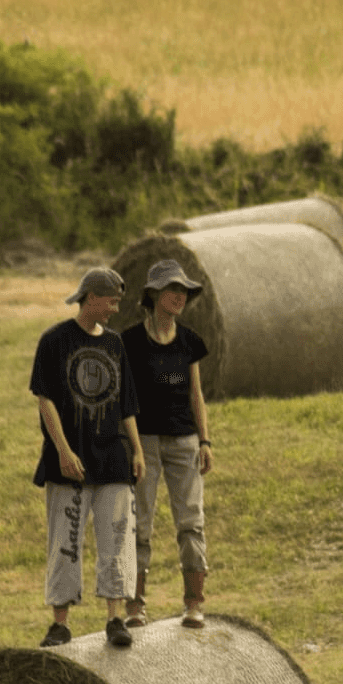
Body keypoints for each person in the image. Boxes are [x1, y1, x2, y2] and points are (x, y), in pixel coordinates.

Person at [29, 266, 146, 648]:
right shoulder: (54, 340)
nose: (115, 308)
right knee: (65, 540)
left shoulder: (114, 344)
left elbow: (127, 404)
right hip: (70, 460)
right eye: (111, 301)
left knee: (116, 539)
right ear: (91, 298)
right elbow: (45, 401)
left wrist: (138, 452)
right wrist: (63, 451)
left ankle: (115, 619)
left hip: (113, 457)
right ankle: (60, 624)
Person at [120, 259, 213, 630]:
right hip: (144, 442)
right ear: (155, 294)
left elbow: (196, 394)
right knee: (139, 524)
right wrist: (132, 448)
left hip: (184, 441)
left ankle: (194, 604)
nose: (180, 297)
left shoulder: (190, 342)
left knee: (191, 522)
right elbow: (124, 398)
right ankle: (135, 607)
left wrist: (204, 440)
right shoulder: (128, 341)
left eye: (184, 292)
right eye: (174, 290)